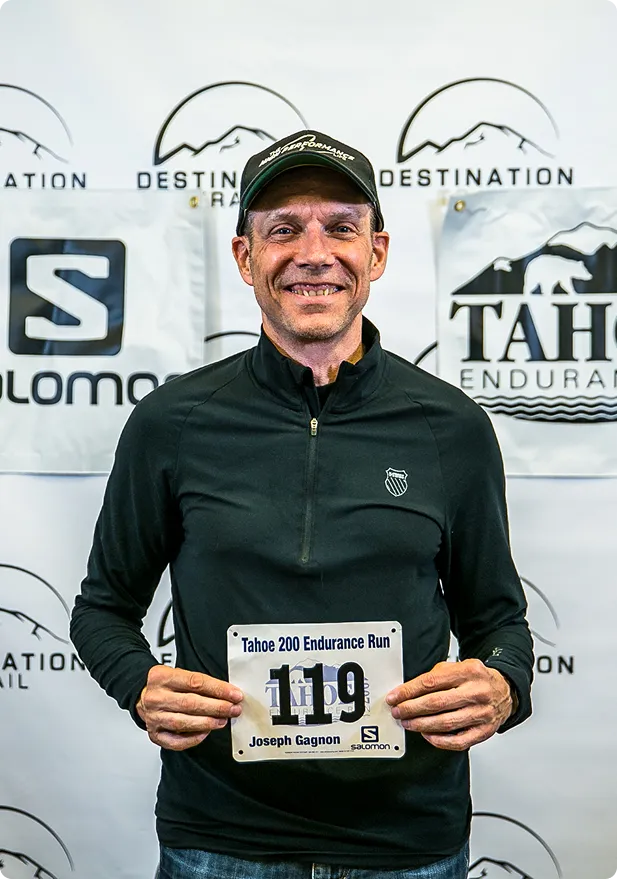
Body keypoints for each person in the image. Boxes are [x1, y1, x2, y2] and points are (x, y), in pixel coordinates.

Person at [71, 130, 533, 879]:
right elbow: (102, 609)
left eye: (340, 228)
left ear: (375, 253)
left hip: (407, 842)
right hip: (220, 840)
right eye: (283, 230)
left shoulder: (451, 427)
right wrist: (138, 683)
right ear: (245, 257)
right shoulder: (172, 423)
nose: (313, 254)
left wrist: (503, 683)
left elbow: (498, 621)